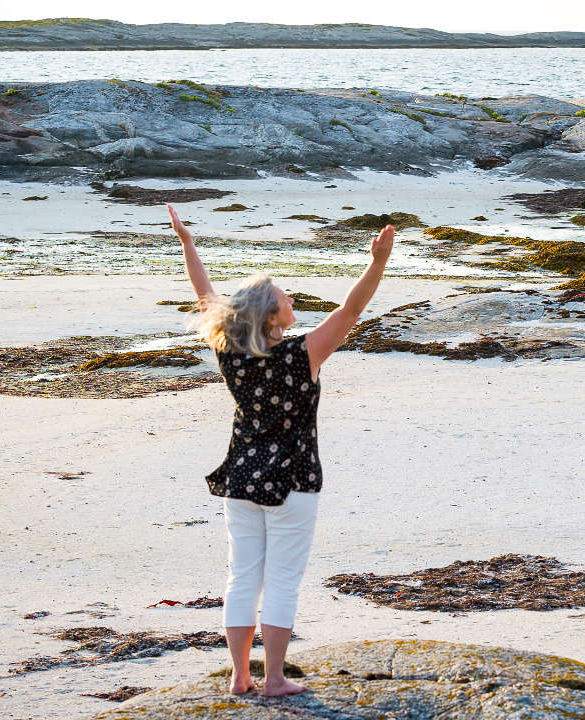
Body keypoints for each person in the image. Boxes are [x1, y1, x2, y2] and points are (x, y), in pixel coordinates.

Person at [167, 204, 394, 696]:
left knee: (241, 576)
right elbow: (351, 312)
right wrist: (376, 263)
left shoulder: (231, 354)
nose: (292, 300)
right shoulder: (301, 354)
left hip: (242, 479)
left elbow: (205, 297)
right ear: (273, 316)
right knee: (283, 581)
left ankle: (239, 677)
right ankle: (272, 679)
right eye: (284, 297)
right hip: (293, 481)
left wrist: (188, 245)